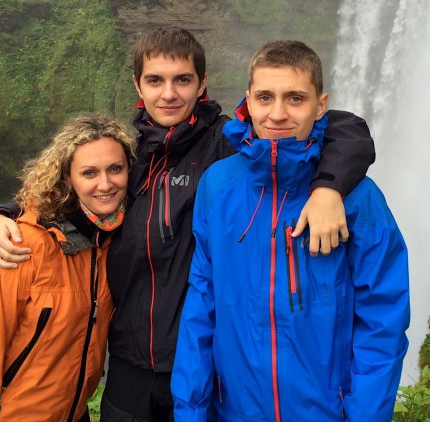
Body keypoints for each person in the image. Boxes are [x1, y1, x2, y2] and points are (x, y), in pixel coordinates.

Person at [0, 26, 376, 422]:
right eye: (155, 80)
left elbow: (338, 129)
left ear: (202, 83)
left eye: (182, 79)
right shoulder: (128, 157)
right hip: (129, 362)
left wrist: (328, 188)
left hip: (202, 364)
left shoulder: (225, 144)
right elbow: (67, 192)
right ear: (138, 86)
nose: (169, 93)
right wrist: (2, 214)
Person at [171, 40, 410, 421]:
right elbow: (202, 304)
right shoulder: (217, 186)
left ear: (321, 105)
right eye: (265, 97)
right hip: (234, 409)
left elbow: (383, 321)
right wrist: (190, 410)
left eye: (295, 98)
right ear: (247, 101)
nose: (278, 114)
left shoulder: (359, 199)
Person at [0, 113, 136, 422]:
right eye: (89, 173)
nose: (106, 184)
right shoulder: (19, 245)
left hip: (75, 413)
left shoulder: (111, 240)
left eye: (115, 169)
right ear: (67, 177)